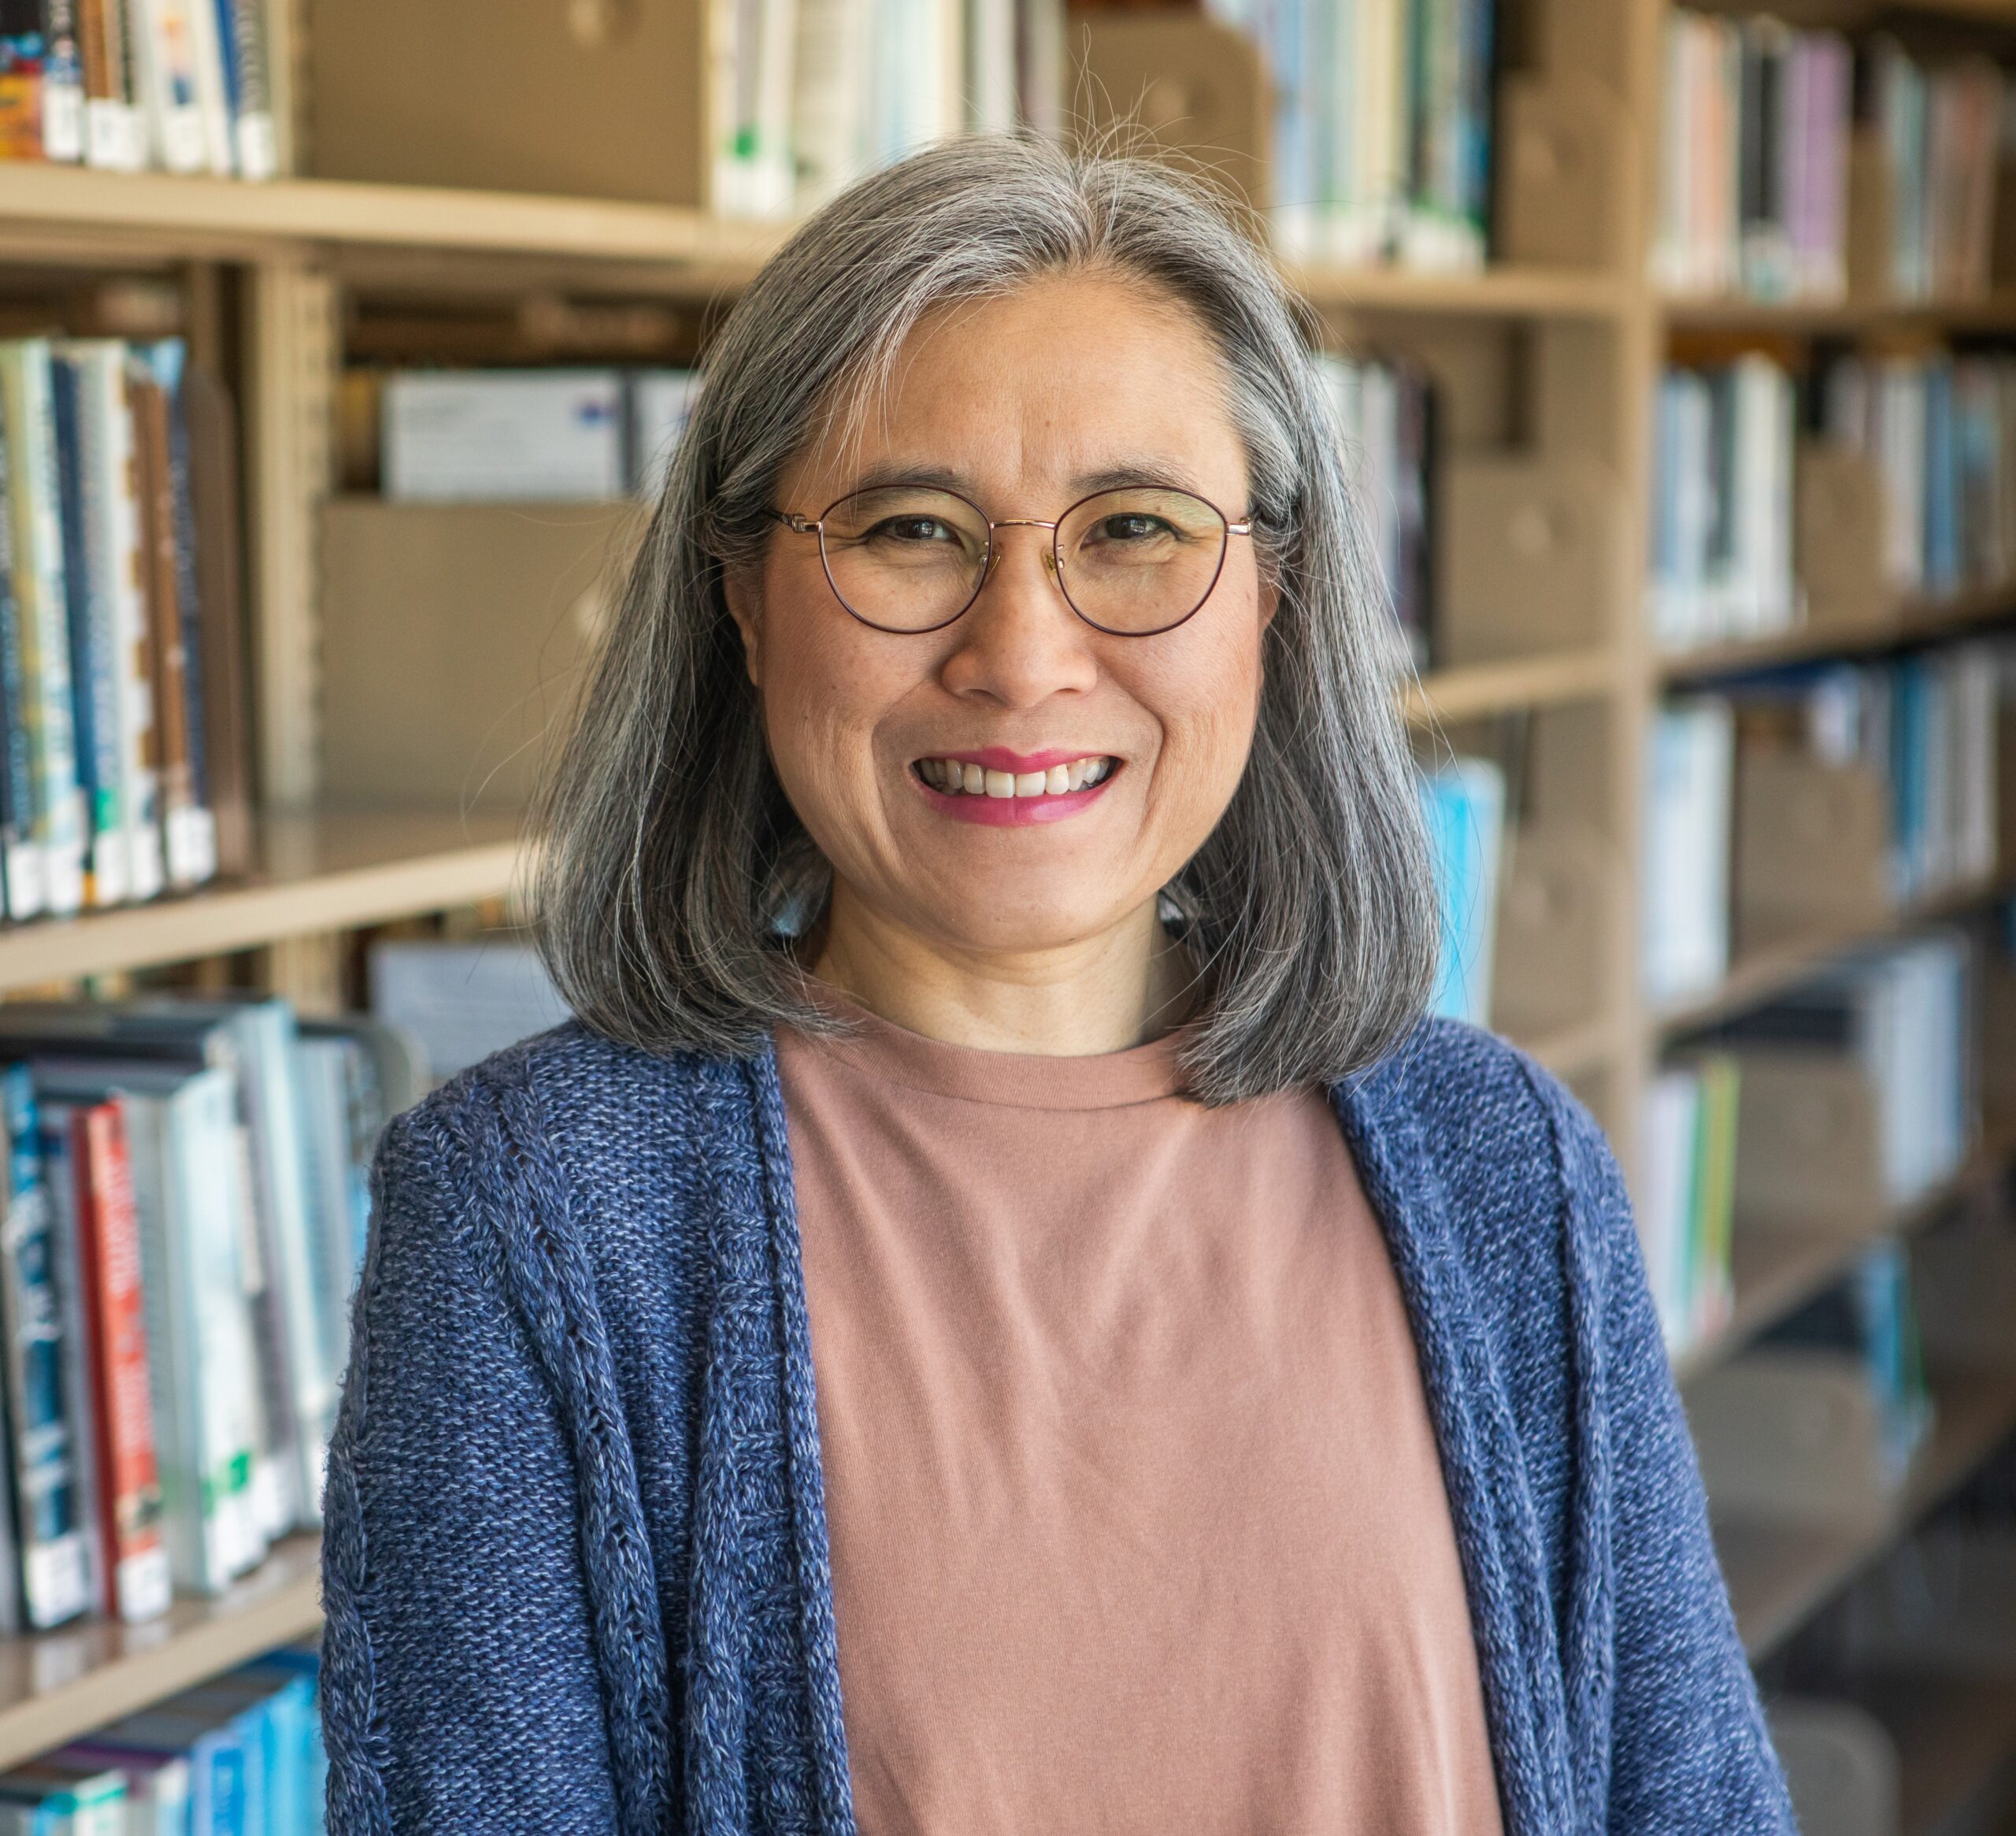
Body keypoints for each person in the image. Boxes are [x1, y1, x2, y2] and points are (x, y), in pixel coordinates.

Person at [320, 137, 1794, 1834]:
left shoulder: (1501, 1166)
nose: (1019, 654)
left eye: (1135, 531)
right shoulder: (531, 1221)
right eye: (908, 529)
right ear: (739, 596)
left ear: (1272, 593)